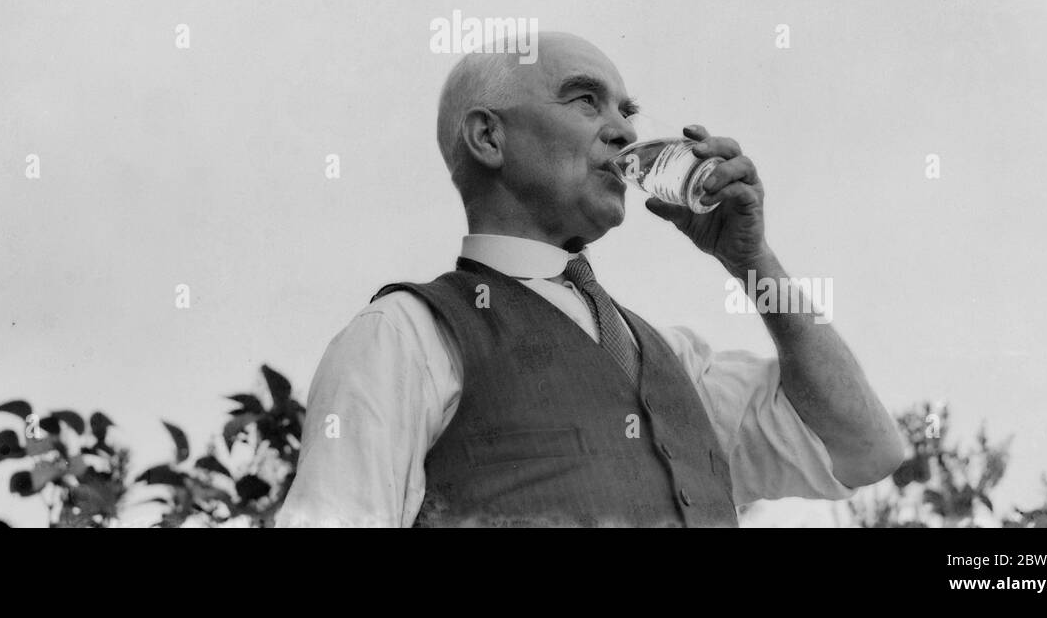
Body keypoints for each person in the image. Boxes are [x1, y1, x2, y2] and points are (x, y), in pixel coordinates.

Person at [274, 32, 905, 527]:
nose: (626, 130)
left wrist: (751, 260)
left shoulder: (675, 360)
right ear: (490, 136)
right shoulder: (404, 339)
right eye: (585, 100)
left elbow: (866, 449)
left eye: (628, 110)